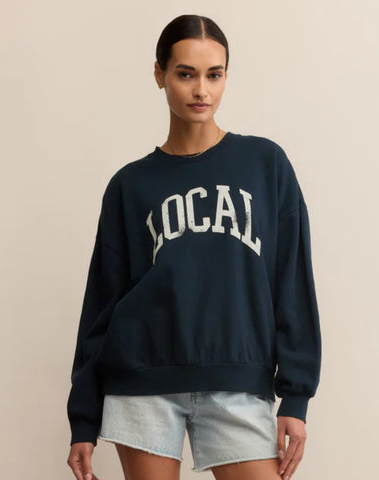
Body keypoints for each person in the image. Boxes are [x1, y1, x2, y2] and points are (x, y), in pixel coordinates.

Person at [66, 14, 322, 480]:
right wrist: (83, 418)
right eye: (186, 74)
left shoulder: (265, 164)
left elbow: (292, 282)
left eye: (214, 75)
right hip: (142, 381)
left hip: (238, 380)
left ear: (226, 76)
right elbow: (100, 303)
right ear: (159, 74)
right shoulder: (129, 184)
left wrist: (296, 395)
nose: (201, 90)